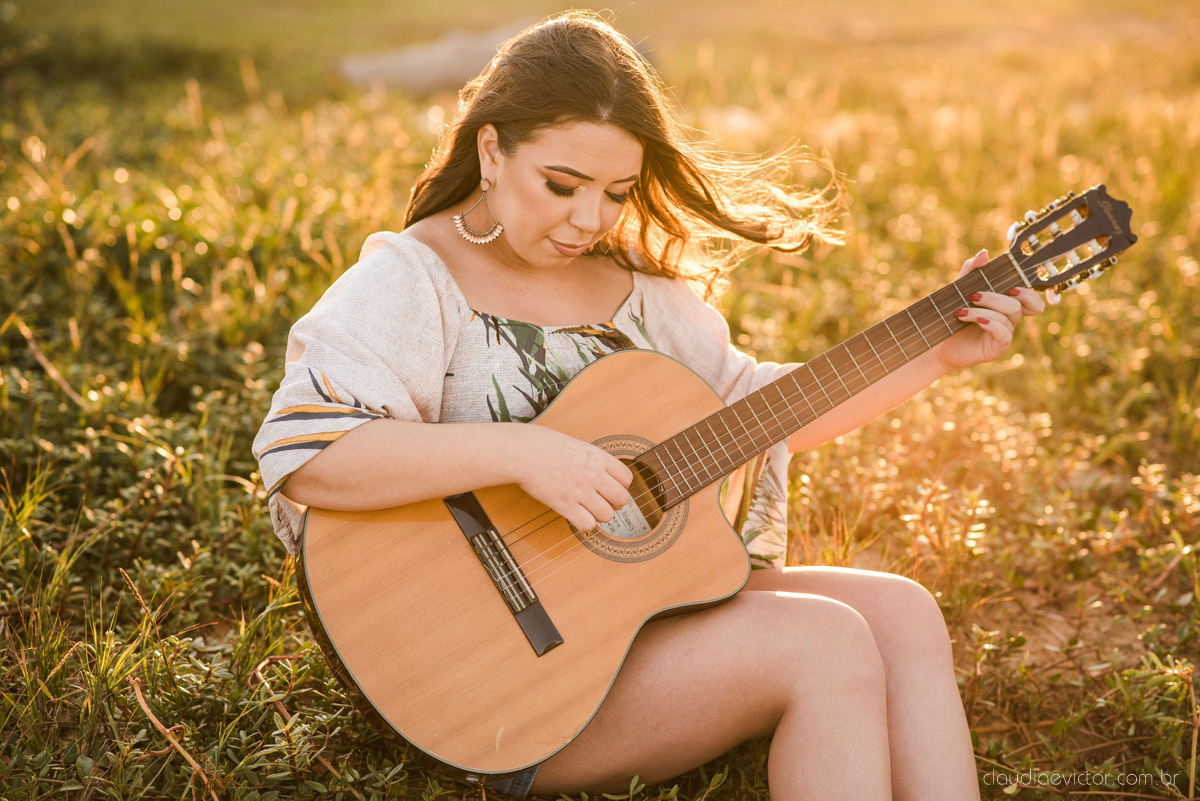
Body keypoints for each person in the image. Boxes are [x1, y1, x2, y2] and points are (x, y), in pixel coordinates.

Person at [252, 12, 1044, 801]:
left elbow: (757, 412)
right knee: (825, 642)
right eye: (561, 185)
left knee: (903, 613)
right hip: (496, 683)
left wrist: (937, 351)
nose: (587, 219)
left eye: (616, 193)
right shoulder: (415, 277)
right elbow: (308, 453)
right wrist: (524, 453)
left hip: (628, 627)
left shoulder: (638, 289)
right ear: (492, 150)